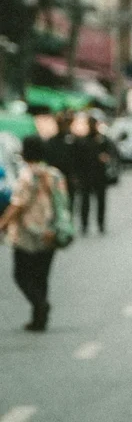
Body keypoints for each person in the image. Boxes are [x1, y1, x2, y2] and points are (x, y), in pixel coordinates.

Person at [0, 135, 66, 332]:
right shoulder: (54, 174)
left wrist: (3, 223)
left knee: (21, 275)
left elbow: (18, 204)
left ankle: (39, 306)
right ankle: (39, 317)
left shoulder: (27, 175)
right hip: (51, 231)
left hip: (28, 233)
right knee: (41, 275)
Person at [76, 115, 115, 235]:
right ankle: (84, 224)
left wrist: (106, 157)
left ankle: (101, 223)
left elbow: (111, 152)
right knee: (85, 201)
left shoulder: (103, 140)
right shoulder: (83, 141)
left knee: (100, 201)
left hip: (100, 175)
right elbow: (78, 158)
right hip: (87, 174)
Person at [45, 110, 78, 213]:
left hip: (68, 176)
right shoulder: (52, 141)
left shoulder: (73, 140)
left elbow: (77, 158)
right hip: (55, 175)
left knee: (69, 201)